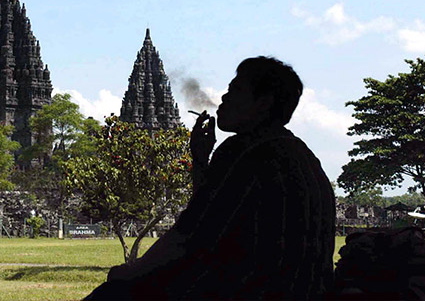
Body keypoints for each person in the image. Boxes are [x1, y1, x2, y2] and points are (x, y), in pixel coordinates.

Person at [86, 56, 336, 300]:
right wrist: (201, 160)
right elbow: (210, 213)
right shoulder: (298, 151)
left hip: (258, 288)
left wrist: (131, 271)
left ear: (263, 103)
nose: (224, 98)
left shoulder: (246, 150)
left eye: (235, 90)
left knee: (114, 292)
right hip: (303, 288)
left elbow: (187, 234)